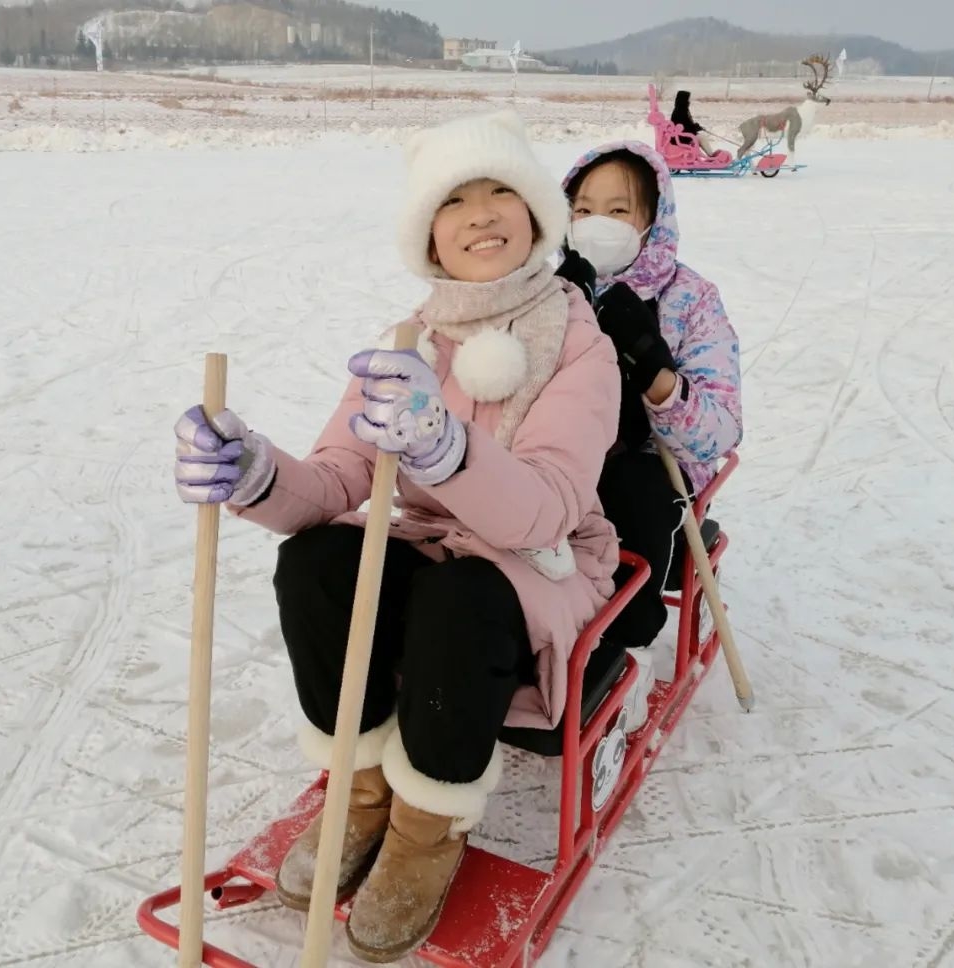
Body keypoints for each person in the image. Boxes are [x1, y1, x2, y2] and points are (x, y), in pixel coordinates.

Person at [172, 110, 620, 963]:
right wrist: (256, 474)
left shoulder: (577, 344)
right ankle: (363, 788)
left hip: (537, 567)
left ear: (534, 216)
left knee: (460, 599)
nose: (481, 214)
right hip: (426, 543)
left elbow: (551, 506)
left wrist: (450, 451)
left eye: (501, 193)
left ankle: (427, 825)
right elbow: (341, 479)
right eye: (455, 201)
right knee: (315, 561)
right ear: (430, 236)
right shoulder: (410, 344)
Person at [556, 140, 742, 656]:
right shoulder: (549, 289)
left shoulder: (692, 299)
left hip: (648, 470)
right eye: (584, 209)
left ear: (652, 220)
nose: (598, 223)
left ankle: (618, 643)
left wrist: (654, 370)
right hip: (559, 457)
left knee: (633, 485)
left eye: (618, 211)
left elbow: (721, 431)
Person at [670, 89, 716, 156]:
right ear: (684, 99)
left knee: (701, 137)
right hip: (682, 137)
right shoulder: (680, 111)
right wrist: (695, 128)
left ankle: (708, 156)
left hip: (682, 135)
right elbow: (684, 126)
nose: (689, 101)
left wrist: (695, 127)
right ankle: (711, 156)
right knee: (702, 138)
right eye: (688, 99)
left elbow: (687, 124)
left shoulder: (681, 109)